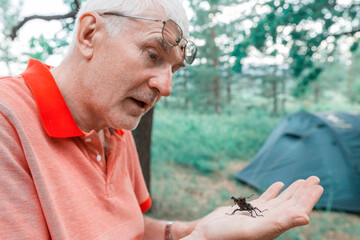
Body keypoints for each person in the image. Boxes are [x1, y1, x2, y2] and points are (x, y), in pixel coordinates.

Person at [0, 0, 323, 239]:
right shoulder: (8, 119)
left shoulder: (115, 129)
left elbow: (129, 231)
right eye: (153, 54)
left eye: (174, 70)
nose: (165, 87)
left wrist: (193, 229)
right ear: (88, 34)